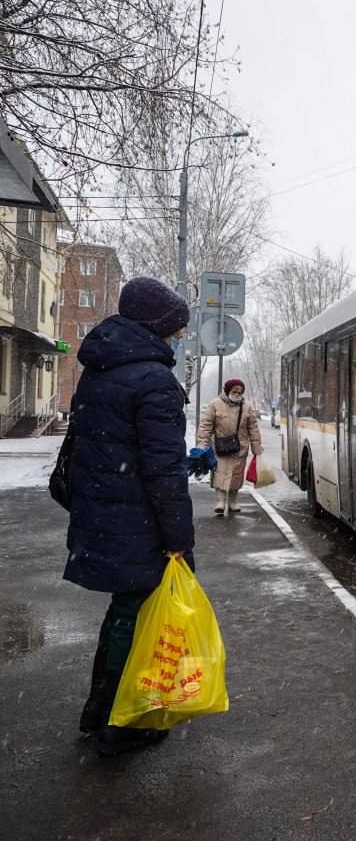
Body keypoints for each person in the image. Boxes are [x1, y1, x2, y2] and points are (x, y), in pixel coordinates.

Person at [65, 276, 194, 756]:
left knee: (124, 617)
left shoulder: (101, 369)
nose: (178, 338)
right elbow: (165, 471)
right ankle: (122, 725)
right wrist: (179, 538)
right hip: (139, 521)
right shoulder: (152, 380)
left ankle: (99, 714)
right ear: (155, 326)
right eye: (174, 329)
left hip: (107, 513)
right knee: (139, 622)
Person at [196, 378, 264, 515]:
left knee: (236, 475)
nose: (237, 394)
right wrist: (202, 444)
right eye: (234, 391)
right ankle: (220, 501)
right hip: (220, 446)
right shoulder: (215, 404)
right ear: (227, 391)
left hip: (240, 447)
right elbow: (205, 426)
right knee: (220, 473)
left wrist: (256, 447)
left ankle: (233, 500)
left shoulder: (247, 406)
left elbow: (253, 428)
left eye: (240, 392)